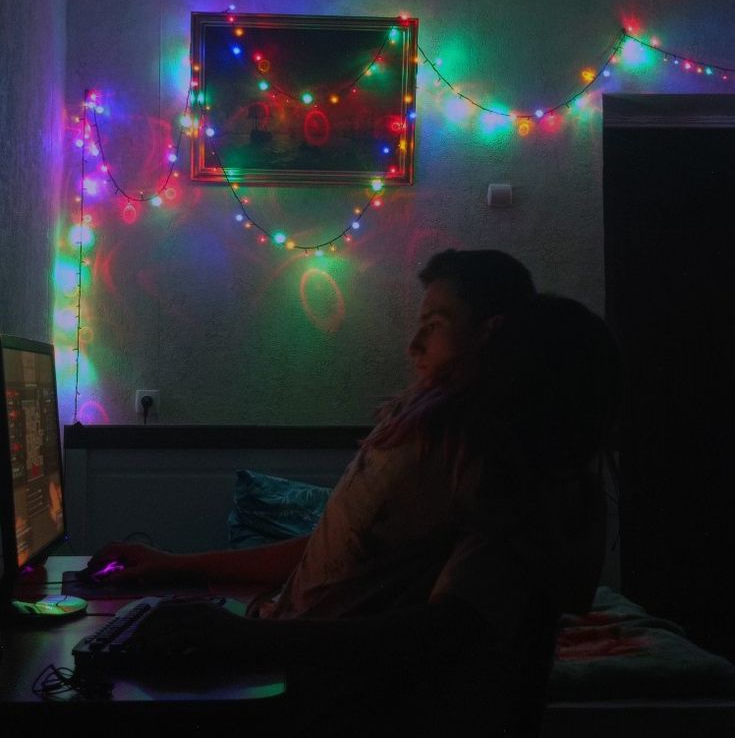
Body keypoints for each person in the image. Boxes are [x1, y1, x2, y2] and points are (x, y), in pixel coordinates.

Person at [86, 249, 621, 736]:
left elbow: (450, 629)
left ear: (490, 337)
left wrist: (246, 639)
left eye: (434, 327)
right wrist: (179, 567)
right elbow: (338, 548)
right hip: (288, 651)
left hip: (324, 688)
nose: (413, 347)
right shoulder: (415, 429)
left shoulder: (488, 455)